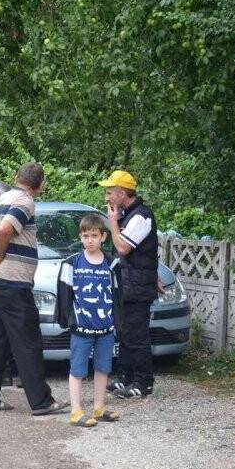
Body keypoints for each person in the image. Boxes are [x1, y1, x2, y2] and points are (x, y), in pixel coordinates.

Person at [0, 162, 68, 415]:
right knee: (28, 342)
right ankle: (41, 402)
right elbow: (5, 229)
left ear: (16, 177)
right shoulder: (25, 201)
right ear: (41, 185)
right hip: (13, 282)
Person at [56, 214, 122, 428]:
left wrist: (118, 323)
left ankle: (99, 407)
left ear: (103, 237)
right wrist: (68, 320)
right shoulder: (72, 263)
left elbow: (118, 294)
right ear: (80, 237)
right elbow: (64, 293)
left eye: (94, 235)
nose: (90, 240)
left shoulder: (112, 263)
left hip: (105, 327)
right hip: (81, 327)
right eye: (85, 236)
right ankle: (76, 411)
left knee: (103, 368)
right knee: (78, 370)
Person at [101, 170, 158, 398]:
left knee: (137, 335)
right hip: (127, 284)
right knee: (124, 334)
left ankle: (143, 382)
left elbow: (124, 248)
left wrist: (113, 223)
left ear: (122, 193)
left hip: (137, 287)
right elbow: (144, 254)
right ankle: (126, 377)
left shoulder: (141, 216)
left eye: (110, 192)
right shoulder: (129, 215)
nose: (107, 197)